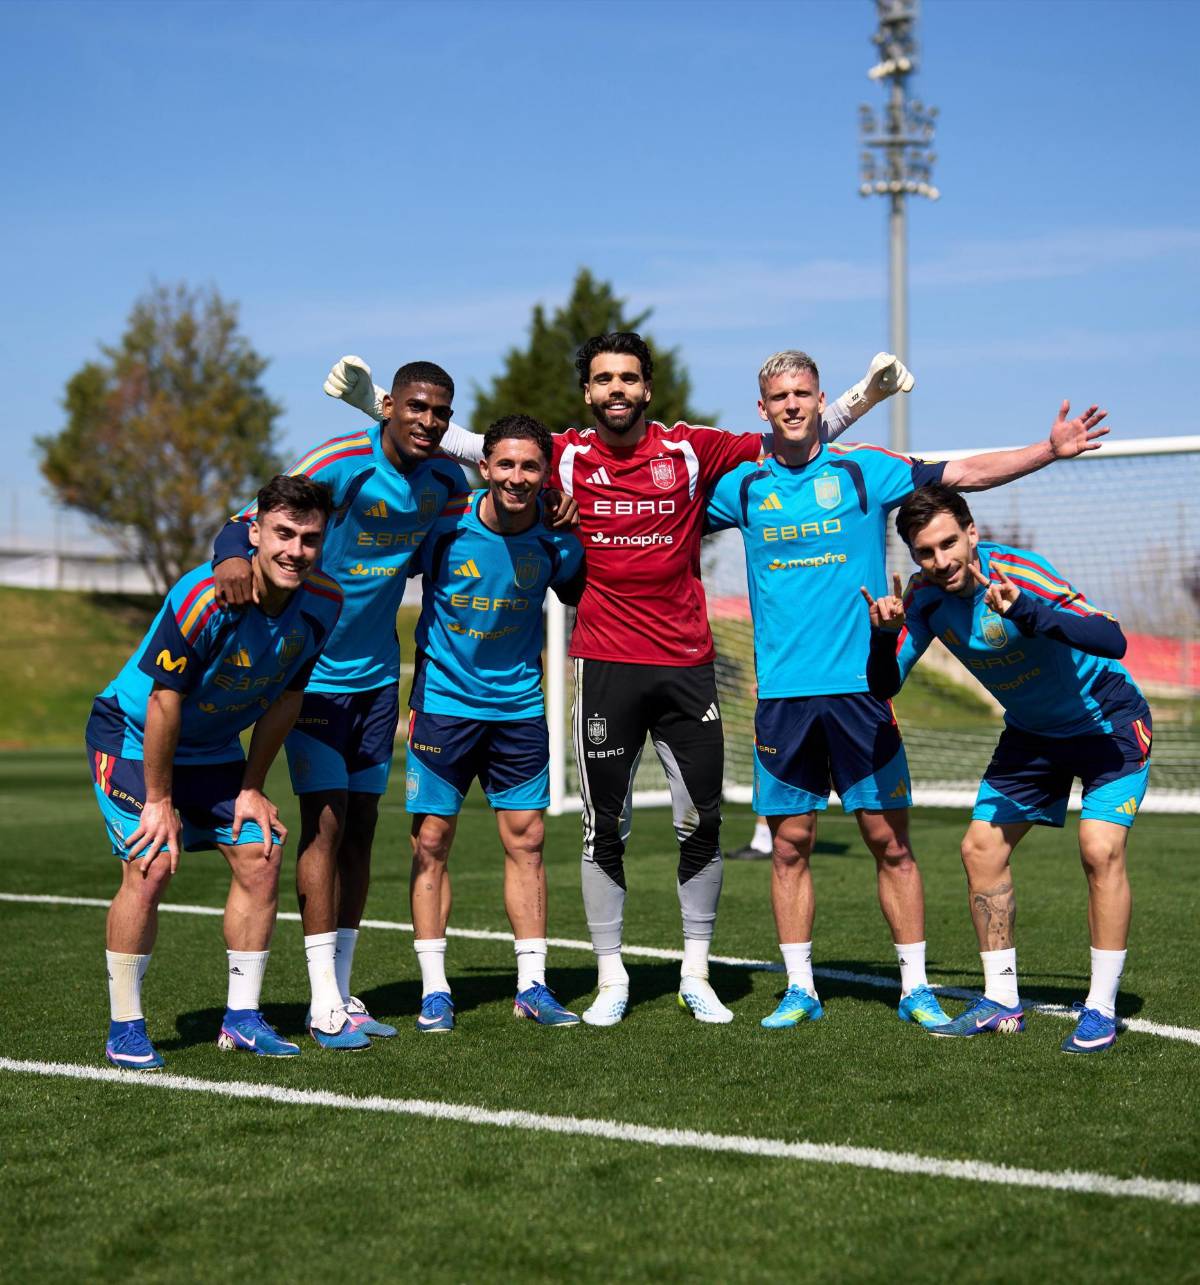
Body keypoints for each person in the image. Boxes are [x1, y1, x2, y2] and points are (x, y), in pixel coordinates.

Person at [325, 343, 910, 1026]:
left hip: (687, 665)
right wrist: (376, 406)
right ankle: (610, 978)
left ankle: (696, 975)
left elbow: (791, 433)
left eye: (628, 377)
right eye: (604, 378)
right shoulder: (560, 458)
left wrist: (862, 398)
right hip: (603, 665)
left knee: (702, 822)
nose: (617, 387)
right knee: (603, 827)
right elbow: (478, 448)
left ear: (647, 388)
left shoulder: (691, 449)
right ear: (588, 393)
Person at [705, 349, 1109, 1032]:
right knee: (789, 845)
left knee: (890, 843)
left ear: (822, 399)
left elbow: (963, 474)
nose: (792, 405)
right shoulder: (741, 486)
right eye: (779, 397)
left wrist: (1047, 450)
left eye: (803, 393)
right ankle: (799, 988)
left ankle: (915, 987)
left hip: (863, 691)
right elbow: (658, 523)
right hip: (783, 696)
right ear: (762, 409)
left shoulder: (864, 469)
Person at [212, 363, 471, 1049]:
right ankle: (322, 998)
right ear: (390, 406)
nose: (428, 421)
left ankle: (342, 992)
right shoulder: (340, 462)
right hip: (313, 676)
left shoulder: (447, 481)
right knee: (323, 827)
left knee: (360, 831)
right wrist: (229, 559)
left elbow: (458, 546)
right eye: (416, 406)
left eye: (441, 412)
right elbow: (249, 521)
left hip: (378, 678)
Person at [864, 483, 1149, 1053]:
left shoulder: (1019, 570)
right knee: (980, 850)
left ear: (971, 533)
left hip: (1106, 721)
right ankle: (1001, 1001)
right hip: (1032, 735)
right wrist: (882, 637)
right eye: (926, 552)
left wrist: (1027, 611)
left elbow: (1111, 638)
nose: (941, 560)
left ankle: (1100, 1009)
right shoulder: (922, 597)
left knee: (1099, 849)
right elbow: (885, 685)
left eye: (949, 543)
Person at [89, 474, 340, 1069]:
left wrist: (252, 787)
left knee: (261, 852)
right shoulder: (204, 596)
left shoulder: (326, 602)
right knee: (150, 862)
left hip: (212, 746)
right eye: (283, 534)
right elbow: (163, 701)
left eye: (309, 539)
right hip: (133, 737)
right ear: (255, 533)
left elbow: (287, 699)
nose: (295, 551)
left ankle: (242, 1020)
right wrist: (159, 800)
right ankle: (125, 1026)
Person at [404, 414, 586, 1031]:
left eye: (529, 466)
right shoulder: (443, 526)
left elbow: (588, 595)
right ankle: (435, 990)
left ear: (545, 474)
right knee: (431, 842)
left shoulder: (559, 541)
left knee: (527, 842)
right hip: (443, 707)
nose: (516, 476)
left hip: (518, 710)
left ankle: (533, 985)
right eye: (505, 464)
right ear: (484, 467)